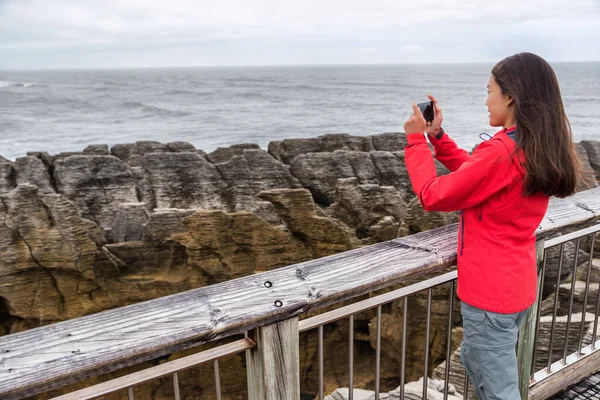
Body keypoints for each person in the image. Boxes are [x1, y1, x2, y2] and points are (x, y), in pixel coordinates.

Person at [402, 52, 583, 399]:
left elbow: (433, 195)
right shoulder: (533, 145)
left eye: (490, 91)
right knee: (479, 362)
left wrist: (415, 141)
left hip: (489, 296)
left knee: (500, 391)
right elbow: (480, 174)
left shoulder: (503, 150)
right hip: (515, 287)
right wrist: (438, 139)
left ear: (510, 96)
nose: (486, 100)